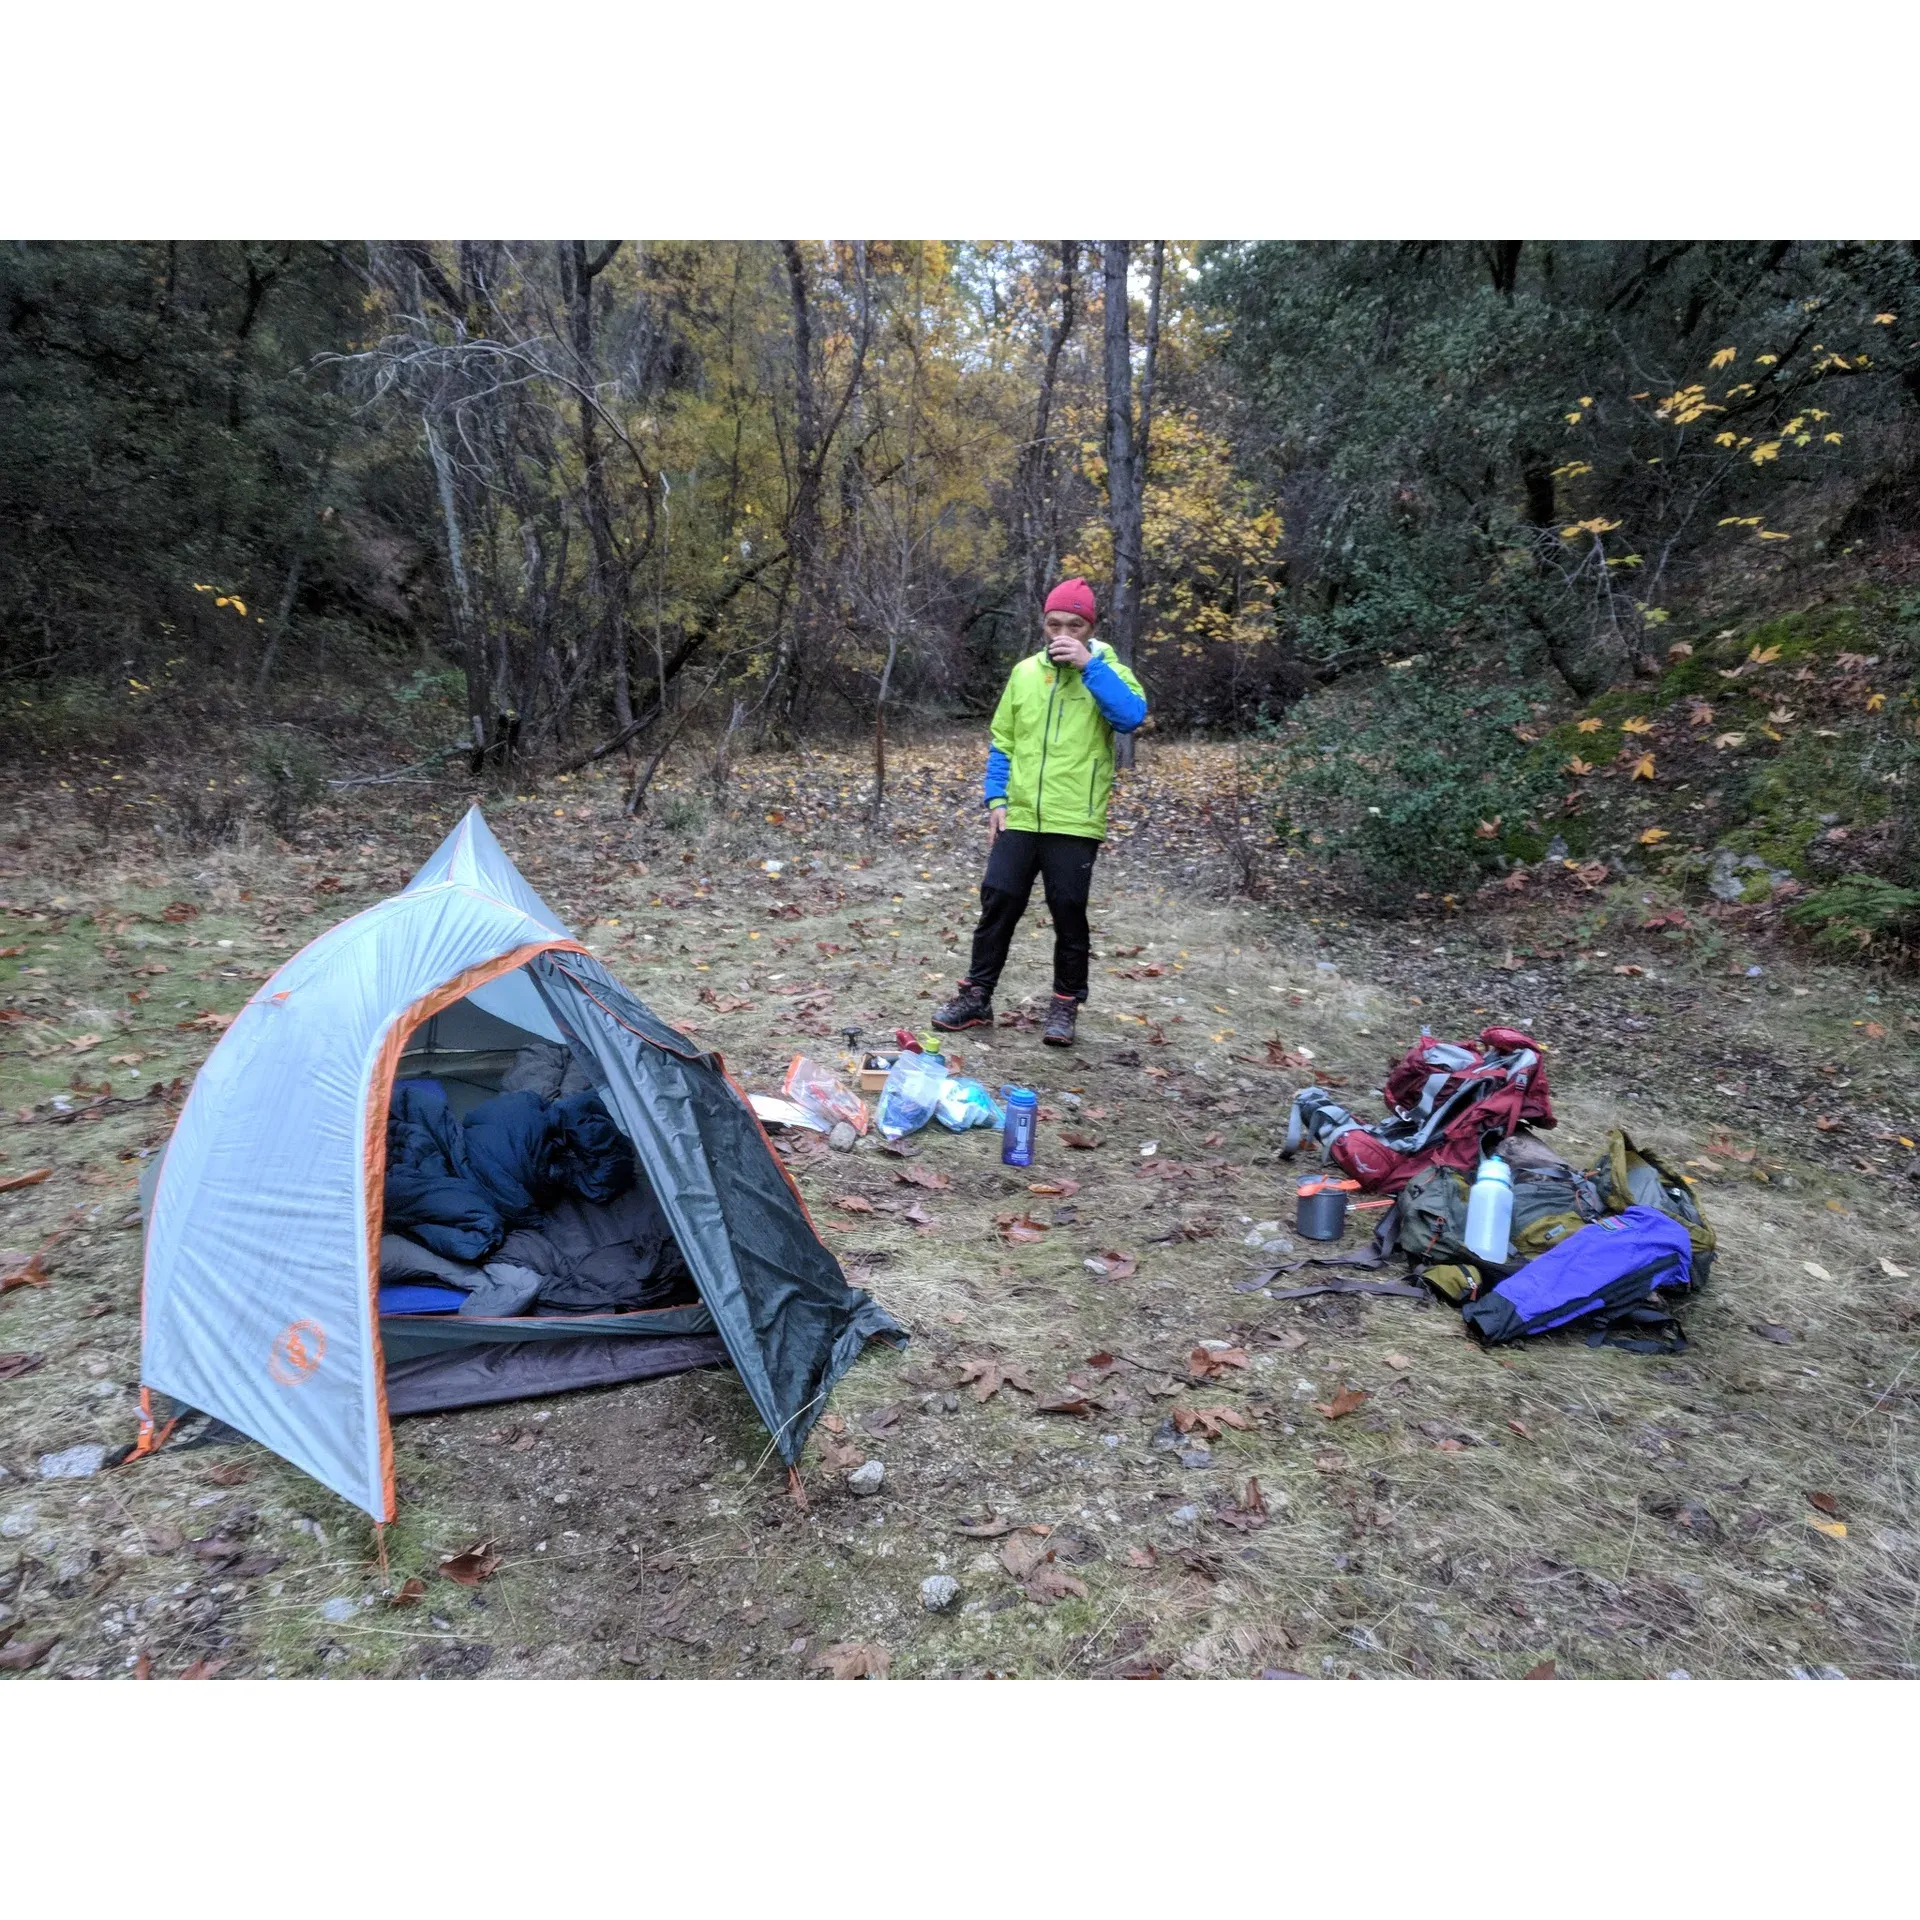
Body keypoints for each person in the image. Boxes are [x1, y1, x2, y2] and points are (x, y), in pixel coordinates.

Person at [933, 578, 1148, 1047]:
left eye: (1074, 625)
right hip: (1021, 814)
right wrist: (996, 800)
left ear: (1091, 627)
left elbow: (1131, 717)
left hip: (1075, 816)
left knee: (1068, 910)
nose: (1063, 633)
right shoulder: (1025, 673)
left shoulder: (1109, 670)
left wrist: (1091, 667)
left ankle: (1065, 1005)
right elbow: (1003, 741)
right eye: (1054, 625)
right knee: (998, 900)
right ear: (1043, 625)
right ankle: (976, 997)